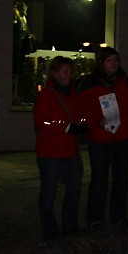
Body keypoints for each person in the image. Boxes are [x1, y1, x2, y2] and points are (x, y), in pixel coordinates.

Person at [78, 47, 128, 229]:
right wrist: (94, 122)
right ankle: (95, 217)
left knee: (121, 180)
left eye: (115, 60)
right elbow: (82, 111)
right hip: (99, 140)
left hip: (123, 140)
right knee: (99, 179)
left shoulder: (127, 83)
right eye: (109, 60)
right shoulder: (89, 84)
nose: (113, 63)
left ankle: (119, 215)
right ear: (101, 63)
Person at [33, 56, 88, 240]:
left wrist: (82, 124)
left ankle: (70, 224)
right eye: (65, 72)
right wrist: (66, 126)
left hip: (69, 150)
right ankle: (49, 228)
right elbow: (42, 121)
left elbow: (78, 115)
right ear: (55, 73)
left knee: (74, 188)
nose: (68, 76)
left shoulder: (72, 94)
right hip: (50, 152)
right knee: (49, 190)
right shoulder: (45, 95)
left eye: (70, 72)